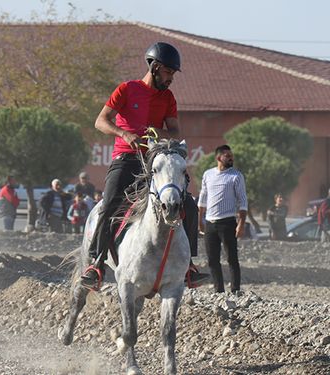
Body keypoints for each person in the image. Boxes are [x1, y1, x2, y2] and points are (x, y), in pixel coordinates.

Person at [81, 41, 208, 289]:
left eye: (172, 73)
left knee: (189, 205)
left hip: (154, 162)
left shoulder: (168, 98)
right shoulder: (127, 89)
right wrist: (125, 134)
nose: (171, 78)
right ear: (156, 67)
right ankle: (96, 264)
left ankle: (189, 267)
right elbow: (100, 121)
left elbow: (174, 132)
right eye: (169, 72)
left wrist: (155, 134)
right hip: (126, 159)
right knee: (109, 206)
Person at [198, 144, 248, 295]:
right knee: (212, 260)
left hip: (228, 222)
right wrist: (200, 220)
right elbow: (203, 198)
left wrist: (241, 224)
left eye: (231, 155)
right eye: (227, 156)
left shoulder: (236, 176)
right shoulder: (208, 174)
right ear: (218, 158)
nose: (231, 158)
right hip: (210, 223)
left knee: (232, 258)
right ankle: (218, 290)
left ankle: (235, 290)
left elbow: (243, 201)